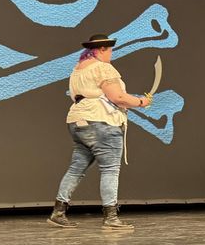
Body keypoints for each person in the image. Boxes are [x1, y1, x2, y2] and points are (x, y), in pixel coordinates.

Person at [48, 34, 153, 230]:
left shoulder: (78, 69)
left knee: (76, 168)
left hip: (78, 121)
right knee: (110, 169)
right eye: (110, 50)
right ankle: (111, 217)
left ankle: (58, 211)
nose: (111, 54)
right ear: (101, 50)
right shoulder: (102, 68)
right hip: (100, 121)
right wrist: (141, 102)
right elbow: (118, 97)